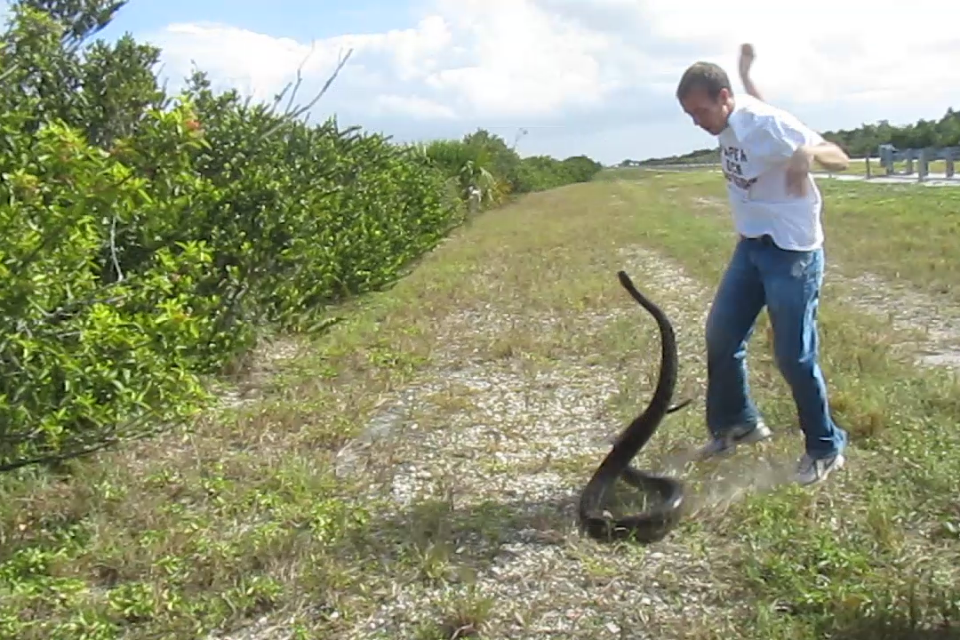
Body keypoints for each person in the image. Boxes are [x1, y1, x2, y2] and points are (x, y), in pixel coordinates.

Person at [675, 44, 850, 486]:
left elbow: (838, 155)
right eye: (689, 115)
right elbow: (757, 104)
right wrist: (746, 72)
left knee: (793, 356)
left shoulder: (768, 125)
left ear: (723, 99)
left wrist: (807, 155)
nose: (697, 123)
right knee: (721, 334)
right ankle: (738, 425)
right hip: (751, 247)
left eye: (700, 111)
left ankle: (825, 448)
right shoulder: (740, 113)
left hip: (792, 251)